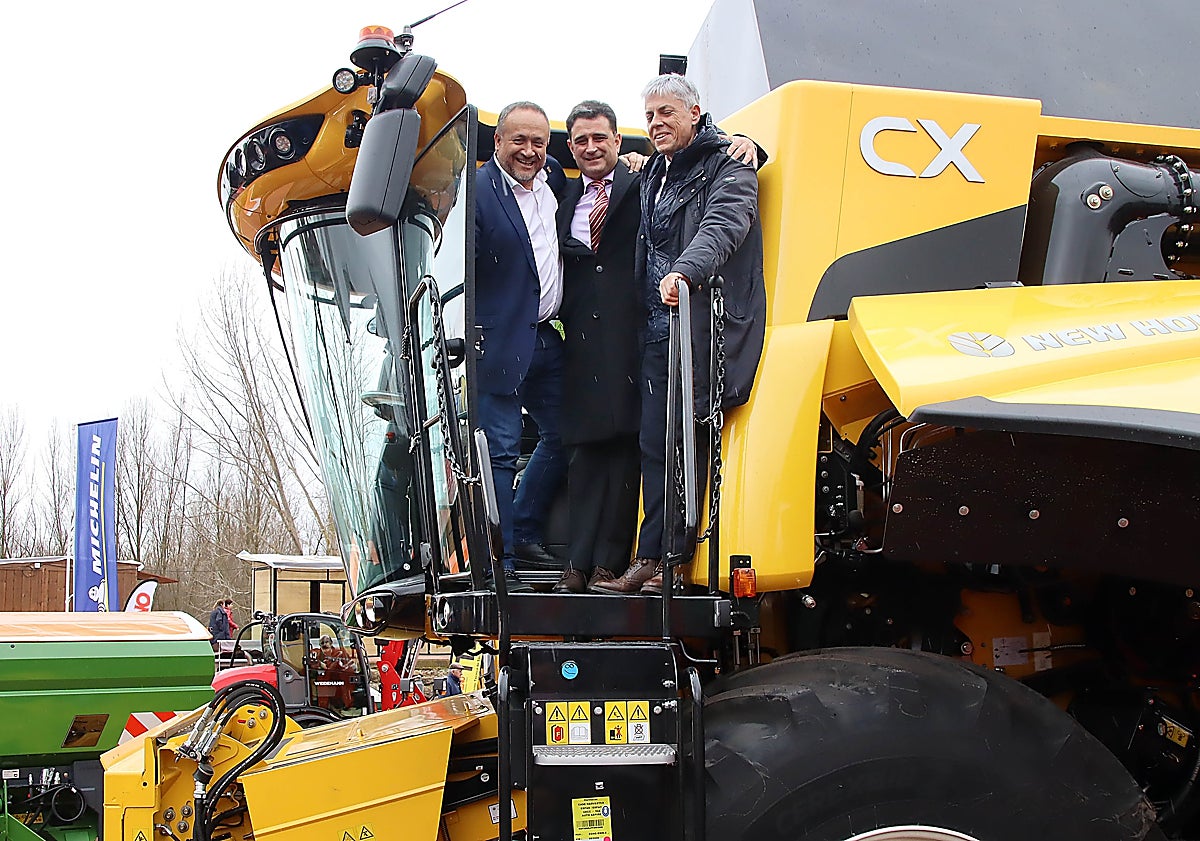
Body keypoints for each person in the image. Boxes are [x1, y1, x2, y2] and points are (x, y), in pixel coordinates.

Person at [592, 74, 766, 596]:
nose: (656, 123)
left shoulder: (729, 163)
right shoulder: (656, 174)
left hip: (698, 325)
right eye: (649, 116)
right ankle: (652, 557)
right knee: (654, 444)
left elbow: (725, 224)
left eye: (667, 113)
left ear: (695, 113)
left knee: (684, 442)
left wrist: (686, 272)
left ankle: (671, 560)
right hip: (657, 328)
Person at [474, 101, 568, 594]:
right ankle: (501, 560)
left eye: (538, 142)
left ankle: (528, 526)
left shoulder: (551, 181)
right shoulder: (477, 192)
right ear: (497, 142)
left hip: (546, 337)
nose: (529, 151)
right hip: (499, 342)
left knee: (568, 433)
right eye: (519, 141)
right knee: (502, 451)